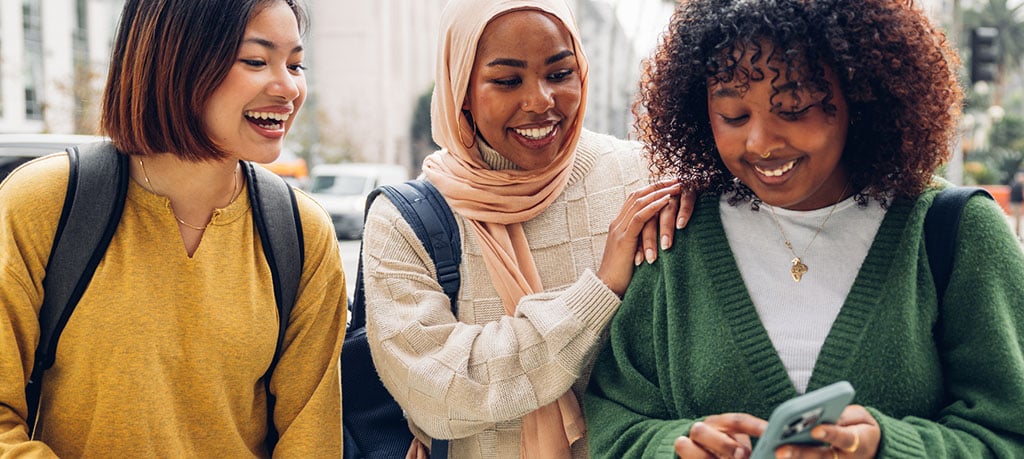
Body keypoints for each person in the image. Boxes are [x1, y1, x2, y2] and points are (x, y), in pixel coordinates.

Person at [584, 0, 1024, 458]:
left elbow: (1008, 434)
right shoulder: (678, 235)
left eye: (793, 109)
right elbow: (615, 425)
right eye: (734, 116)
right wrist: (673, 448)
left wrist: (887, 447)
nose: (760, 143)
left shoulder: (955, 231)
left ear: (860, 95)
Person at [0, 0, 346, 456]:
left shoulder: (302, 232)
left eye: (296, 65)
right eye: (256, 61)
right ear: (176, 60)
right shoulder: (43, 202)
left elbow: (312, 436)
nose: (289, 87)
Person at [359, 0, 694, 457]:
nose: (540, 101)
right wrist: (599, 291)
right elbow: (437, 394)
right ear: (461, 88)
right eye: (507, 80)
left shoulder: (644, 179)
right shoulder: (405, 222)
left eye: (559, 73)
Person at [1010, 171, 1023, 238]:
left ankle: (1017, 233)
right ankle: (1016, 234)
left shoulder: (1016, 185)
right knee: (1017, 220)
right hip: (1016, 204)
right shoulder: (1017, 185)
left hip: (1016, 204)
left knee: (1018, 220)